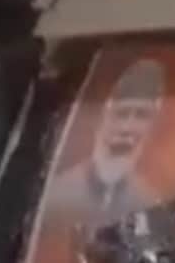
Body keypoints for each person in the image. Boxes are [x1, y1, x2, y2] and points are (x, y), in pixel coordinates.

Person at [47, 58, 168, 223]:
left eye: (141, 115)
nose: (127, 128)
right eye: (121, 113)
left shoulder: (148, 203)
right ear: (102, 117)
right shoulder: (57, 195)